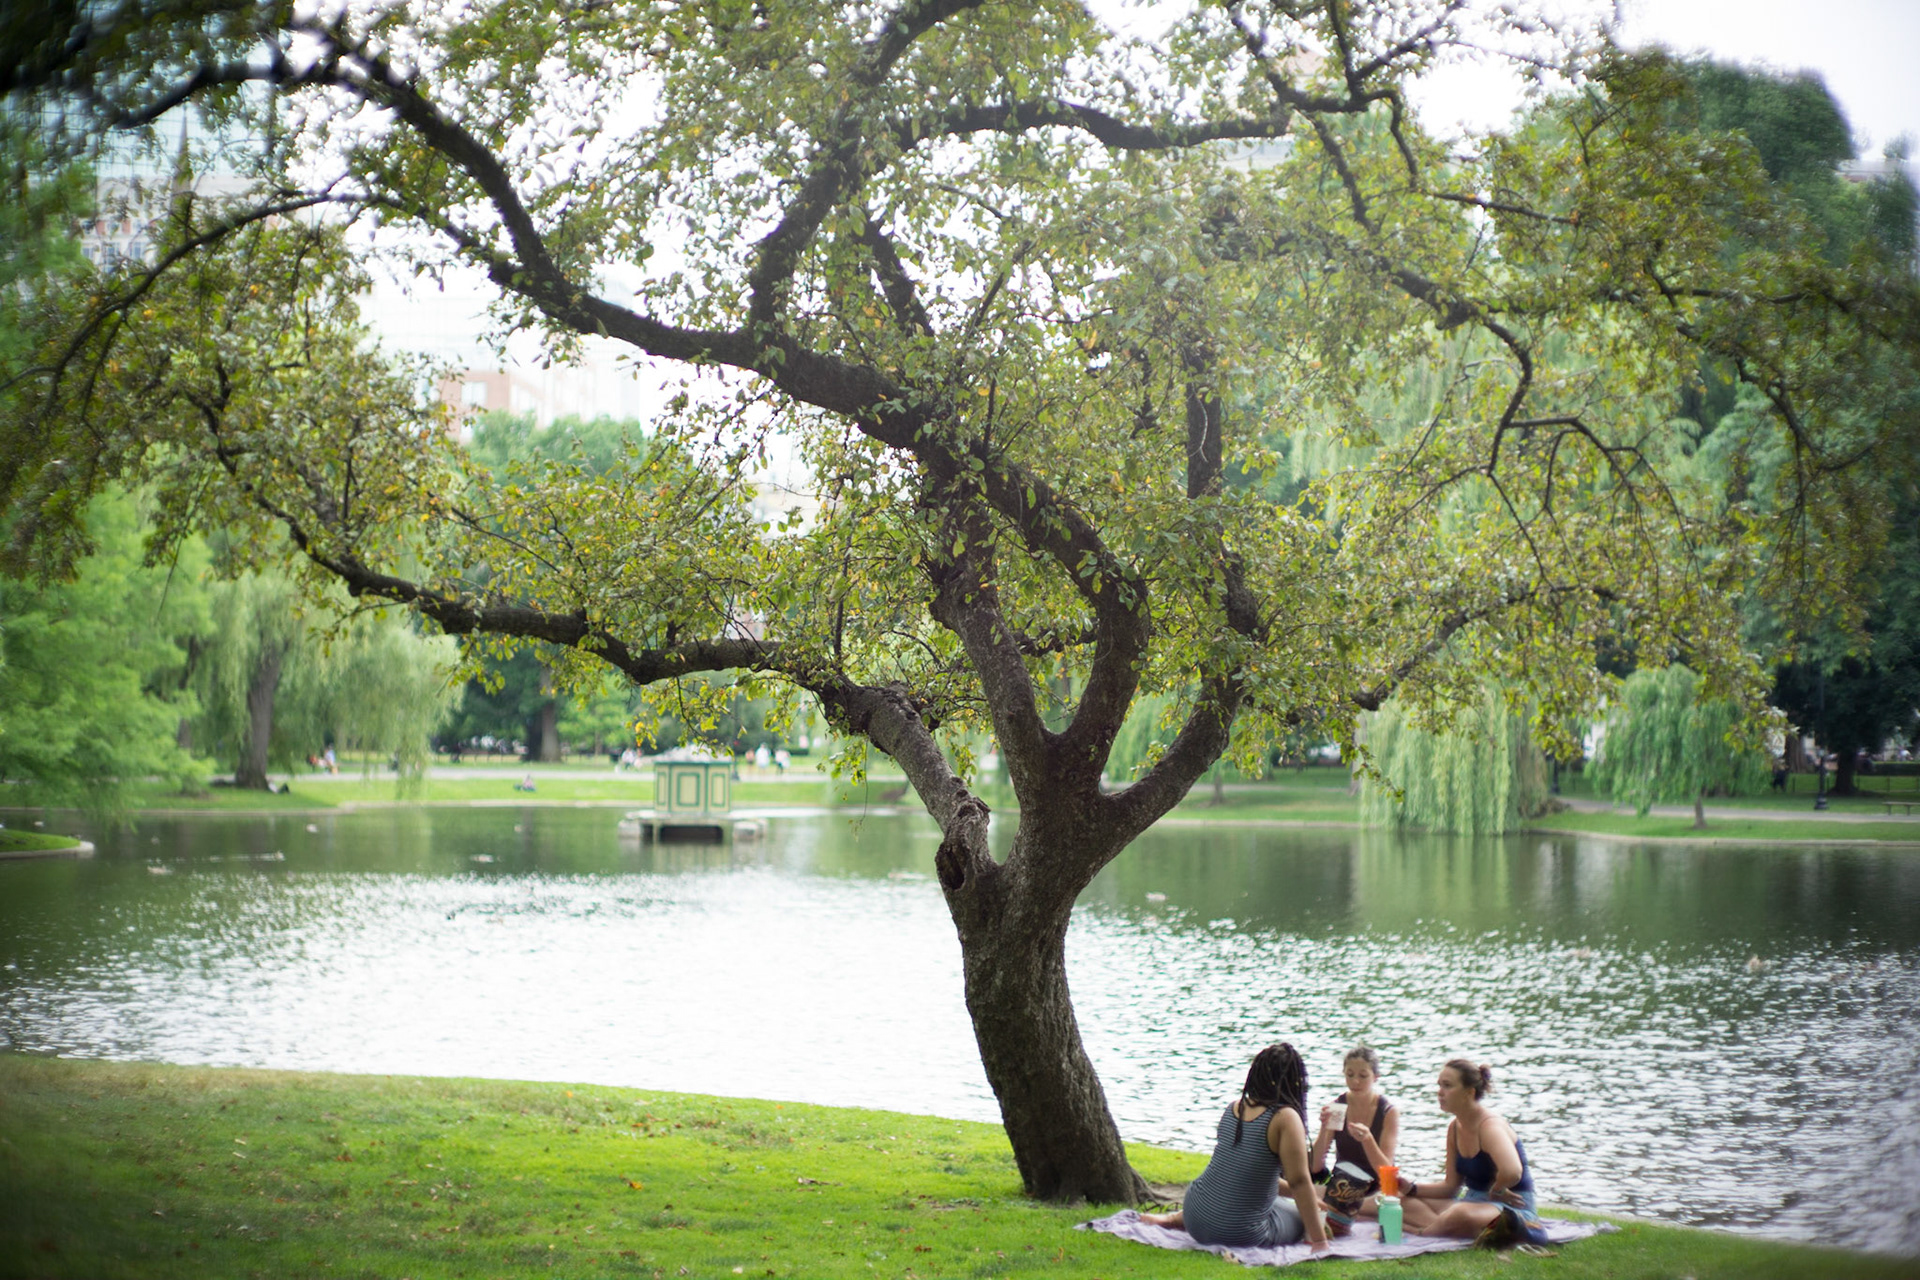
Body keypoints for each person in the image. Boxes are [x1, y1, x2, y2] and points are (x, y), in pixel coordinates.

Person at [1139, 1044, 1331, 1252]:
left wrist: (1311, 1199)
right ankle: (1314, 1237)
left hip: (1194, 1214)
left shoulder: (1234, 1107)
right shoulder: (1285, 1117)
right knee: (1299, 1215)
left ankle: (1173, 1219)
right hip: (1239, 1232)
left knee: (1281, 1203)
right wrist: (1319, 1241)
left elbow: (1244, 1172)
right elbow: (1299, 1181)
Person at [1398, 1059, 1546, 1243]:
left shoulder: (1489, 1126)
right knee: (1401, 1202)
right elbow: (1450, 1187)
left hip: (1510, 1208)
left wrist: (1498, 1190)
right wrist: (1411, 1189)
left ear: (1469, 1092)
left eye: (1447, 1086)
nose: (1440, 1092)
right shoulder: (1454, 1128)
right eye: (1439, 1085)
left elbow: (1512, 1171)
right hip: (1472, 1202)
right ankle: (1442, 1228)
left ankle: (1422, 1233)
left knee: (1459, 1214)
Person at [1308, 1045, 1399, 1231]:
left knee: (1392, 1200)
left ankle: (1342, 1211)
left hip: (1374, 1191)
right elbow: (1315, 1166)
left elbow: (1387, 1173)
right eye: (1350, 1075)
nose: (1355, 1081)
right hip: (1342, 1187)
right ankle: (1343, 1210)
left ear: (1375, 1077)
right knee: (1303, 1189)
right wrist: (1325, 1128)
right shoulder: (1337, 1107)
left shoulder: (1388, 1112)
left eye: (1363, 1076)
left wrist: (1368, 1140)